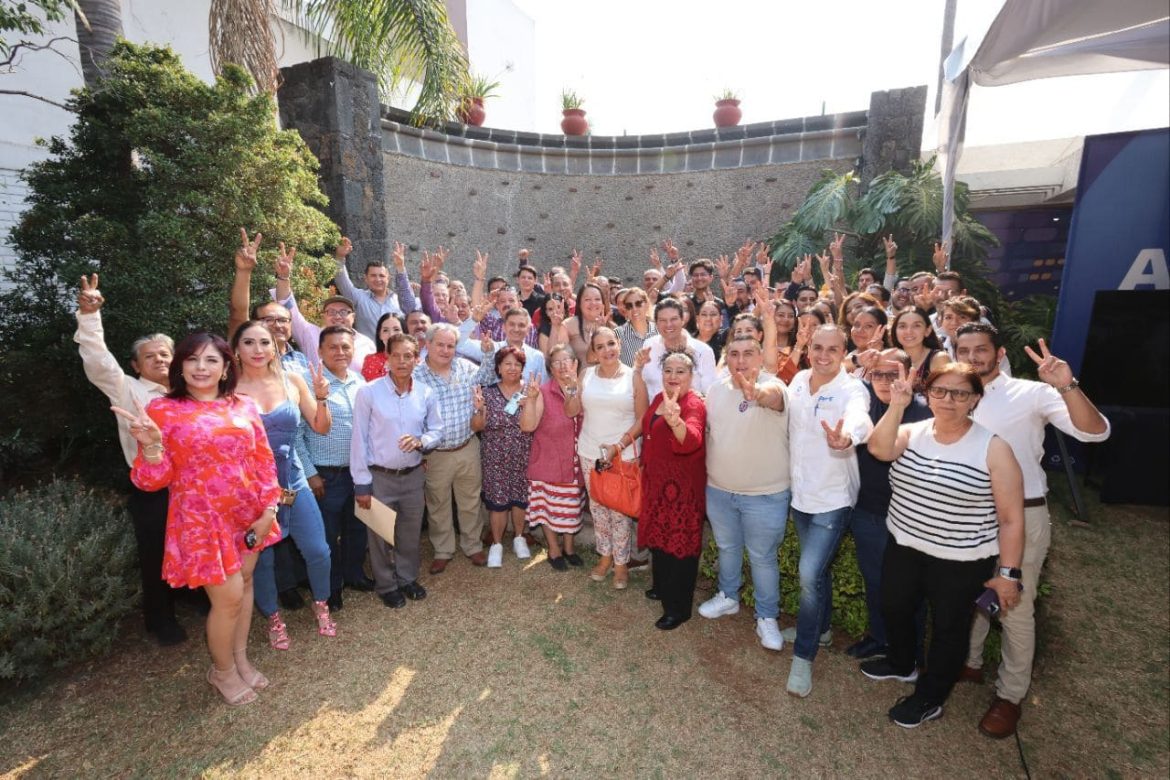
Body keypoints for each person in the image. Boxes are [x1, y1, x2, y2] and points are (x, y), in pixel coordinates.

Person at [955, 324, 1110, 738]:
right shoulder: (953, 393)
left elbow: (1095, 432)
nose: (972, 357)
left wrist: (1067, 385)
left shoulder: (1032, 393)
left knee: (1014, 605)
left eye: (980, 349)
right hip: (969, 515)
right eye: (963, 350)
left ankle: (1010, 696)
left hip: (1023, 515)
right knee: (969, 590)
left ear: (999, 353)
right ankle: (969, 663)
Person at [114, 332, 282, 706]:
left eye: (211, 360)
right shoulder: (162, 410)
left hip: (248, 514)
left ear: (225, 368)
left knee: (245, 586)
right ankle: (222, 672)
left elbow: (263, 461)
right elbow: (151, 480)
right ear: (180, 366)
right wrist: (152, 446)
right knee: (228, 599)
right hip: (201, 522)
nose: (201, 367)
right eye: (192, 359)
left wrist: (269, 509)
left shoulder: (243, 405)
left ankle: (239, 660)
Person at [861, 362, 1025, 730]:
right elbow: (879, 449)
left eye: (960, 393)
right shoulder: (911, 431)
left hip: (961, 559)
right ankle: (902, 663)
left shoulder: (994, 448)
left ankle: (930, 697)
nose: (948, 399)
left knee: (950, 629)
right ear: (928, 394)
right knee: (894, 606)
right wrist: (897, 405)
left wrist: (1008, 574)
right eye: (939, 391)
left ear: (975, 399)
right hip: (905, 544)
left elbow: (1012, 519)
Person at [74, 274, 193, 645]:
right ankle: (161, 619)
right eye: (150, 356)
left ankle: (195, 596)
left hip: (192, 484)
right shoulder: (128, 389)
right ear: (136, 365)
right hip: (152, 488)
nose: (159, 359)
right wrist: (89, 316)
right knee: (155, 552)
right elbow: (99, 362)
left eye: (165, 354)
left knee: (193, 542)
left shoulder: (191, 392)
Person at [231, 321, 337, 649]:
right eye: (249, 342)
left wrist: (322, 398)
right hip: (252, 488)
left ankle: (321, 604)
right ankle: (273, 617)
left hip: (293, 479)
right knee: (262, 558)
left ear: (275, 347)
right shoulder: (228, 389)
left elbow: (321, 426)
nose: (258, 349)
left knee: (318, 549)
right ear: (236, 349)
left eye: (265, 342)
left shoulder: (291, 380)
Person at [784, 324, 874, 698]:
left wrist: (848, 436)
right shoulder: (799, 381)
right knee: (817, 572)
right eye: (817, 348)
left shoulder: (852, 388)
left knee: (809, 574)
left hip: (833, 498)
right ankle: (820, 630)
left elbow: (860, 417)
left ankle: (803, 656)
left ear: (843, 351)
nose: (823, 355)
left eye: (832, 349)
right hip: (801, 494)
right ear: (809, 350)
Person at [698, 336, 791, 650]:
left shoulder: (774, 386)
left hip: (764, 494)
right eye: (734, 354)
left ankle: (767, 616)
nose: (740, 360)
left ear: (760, 357)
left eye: (748, 354)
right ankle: (728, 596)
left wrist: (756, 393)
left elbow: (774, 399)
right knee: (727, 547)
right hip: (719, 490)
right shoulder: (716, 390)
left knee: (763, 558)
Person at [844, 349, 932, 661]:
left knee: (909, 589)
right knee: (875, 581)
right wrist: (857, 362)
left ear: (911, 375)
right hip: (868, 511)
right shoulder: (862, 404)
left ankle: (910, 649)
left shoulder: (925, 413)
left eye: (893, 374)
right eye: (878, 374)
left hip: (910, 518)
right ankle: (880, 638)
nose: (884, 381)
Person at [351, 333, 442, 608]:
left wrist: (421, 441)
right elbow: (359, 439)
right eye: (396, 355)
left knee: (409, 532)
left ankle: (407, 578)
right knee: (379, 535)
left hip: (413, 476)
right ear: (387, 358)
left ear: (417, 359)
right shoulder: (368, 392)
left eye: (408, 356)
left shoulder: (426, 393)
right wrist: (361, 483)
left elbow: (437, 430)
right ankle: (386, 585)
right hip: (379, 477)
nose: (402, 361)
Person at [297, 325, 371, 611]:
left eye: (345, 347)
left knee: (356, 527)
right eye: (333, 347)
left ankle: (354, 574)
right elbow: (296, 434)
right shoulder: (308, 383)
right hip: (325, 475)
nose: (340, 352)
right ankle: (331, 587)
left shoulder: (359, 381)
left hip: (357, 471)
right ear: (319, 350)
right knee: (327, 535)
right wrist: (310, 472)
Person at [414, 323, 498, 573]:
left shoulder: (465, 367)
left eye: (450, 345)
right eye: (440, 344)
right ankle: (443, 550)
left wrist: (487, 353)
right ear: (427, 344)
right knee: (438, 503)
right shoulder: (416, 376)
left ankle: (472, 546)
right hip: (435, 454)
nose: (445, 350)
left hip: (467, 446)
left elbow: (488, 378)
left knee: (470, 500)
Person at [639, 352, 707, 630]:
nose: (673, 376)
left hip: (682, 489)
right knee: (660, 538)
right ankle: (662, 587)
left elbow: (692, 440)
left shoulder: (693, 404)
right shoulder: (659, 398)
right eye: (668, 370)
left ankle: (678, 608)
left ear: (691, 376)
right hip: (658, 484)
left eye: (680, 371)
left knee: (679, 544)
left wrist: (675, 421)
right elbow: (647, 430)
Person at [578, 327, 647, 590]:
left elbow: (642, 420)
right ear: (594, 352)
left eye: (611, 343)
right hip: (589, 452)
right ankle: (605, 556)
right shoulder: (585, 375)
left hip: (623, 454)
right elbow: (573, 410)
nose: (607, 350)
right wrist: (571, 390)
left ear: (619, 344)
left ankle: (621, 563)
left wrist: (618, 446)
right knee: (597, 508)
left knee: (620, 511)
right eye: (600, 346)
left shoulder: (634, 377)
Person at [520, 345, 585, 570]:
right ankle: (554, 549)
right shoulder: (543, 391)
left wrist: (574, 389)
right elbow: (527, 426)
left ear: (575, 363)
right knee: (548, 509)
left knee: (571, 507)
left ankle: (569, 548)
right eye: (556, 362)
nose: (562, 365)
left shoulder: (584, 387)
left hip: (575, 462)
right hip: (548, 460)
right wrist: (530, 400)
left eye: (567, 360)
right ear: (550, 368)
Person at [473, 347, 536, 567]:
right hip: (494, 456)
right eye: (507, 363)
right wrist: (479, 410)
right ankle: (497, 544)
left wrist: (529, 404)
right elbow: (477, 426)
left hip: (523, 454)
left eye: (517, 364)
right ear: (498, 367)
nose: (512, 368)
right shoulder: (487, 393)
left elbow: (535, 422)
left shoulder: (530, 391)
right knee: (498, 502)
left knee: (520, 498)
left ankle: (519, 537)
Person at [272, 243, 376, 371]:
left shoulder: (367, 344)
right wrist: (283, 277)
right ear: (323, 316)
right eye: (331, 312)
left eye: (344, 312)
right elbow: (287, 307)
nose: (337, 316)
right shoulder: (310, 334)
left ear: (353, 317)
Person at [639, 298, 718, 399]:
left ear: (682, 320)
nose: (668, 324)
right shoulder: (649, 345)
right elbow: (642, 384)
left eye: (674, 319)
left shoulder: (703, 351)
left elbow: (710, 395)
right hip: (654, 407)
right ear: (656, 323)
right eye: (663, 320)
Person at [331, 237, 403, 339]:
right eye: (373, 276)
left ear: (388, 279)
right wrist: (340, 257)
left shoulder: (399, 300)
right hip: (368, 349)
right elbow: (342, 281)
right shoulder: (359, 297)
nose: (378, 279)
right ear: (366, 279)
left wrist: (401, 267)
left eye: (381, 276)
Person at [890, 307, 949, 391]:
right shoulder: (889, 359)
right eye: (902, 326)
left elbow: (945, 393)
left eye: (916, 326)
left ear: (927, 331)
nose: (909, 331)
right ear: (895, 331)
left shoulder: (939, 359)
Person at [565, 281, 612, 366]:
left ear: (603, 303)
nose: (593, 303)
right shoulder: (568, 325)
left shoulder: (612, 327)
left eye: (597, 299)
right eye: (587, 300)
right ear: (579, 303)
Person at [614, 287, 657, 366]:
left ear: (647, 304)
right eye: (629, 306)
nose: (634, 309)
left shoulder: (659, 330)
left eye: (638, 304)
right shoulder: (617, 333)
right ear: (626, 309)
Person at [361, 312, 404, 381]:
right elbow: (369, 385)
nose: (391, 334)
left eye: (396, 329)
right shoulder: (371, 360)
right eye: (385, 330)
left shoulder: (413, 360)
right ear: (380, 335)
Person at [695, 299, 728, 363]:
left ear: (721, 319)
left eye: (713, 314)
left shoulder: (726, 339)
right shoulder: (688, 340)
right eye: (704, 314)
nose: (708, 319)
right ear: (697, 319)